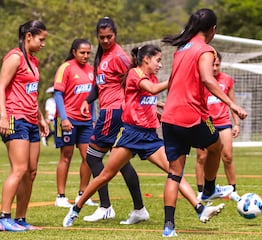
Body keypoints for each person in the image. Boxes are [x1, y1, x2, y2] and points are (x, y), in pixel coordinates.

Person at [63, 44, 225, 228]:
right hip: (131, 135)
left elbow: (147, 101)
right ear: (146, 59)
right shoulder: (135, 73)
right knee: (105, 175)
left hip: (150, 138)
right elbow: (152, 89)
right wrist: (176, 79)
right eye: (158, 60)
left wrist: (161, 111)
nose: (160, 65)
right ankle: (75, 209)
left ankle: (200, 209)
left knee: (174, 173)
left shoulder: (152, 77)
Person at [160, 8, 247, 237]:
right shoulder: (205, 50)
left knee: (174, 174)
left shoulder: (182, 48)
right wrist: (233, 105)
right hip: (193, 117)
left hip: (169, 118)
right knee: (217, 145)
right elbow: (208, 79)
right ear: (213, 30)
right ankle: (209, 190)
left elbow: (172, 81)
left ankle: (169, 227)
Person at [76, 17, 148, 224]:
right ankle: (139, 208)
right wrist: (87, 101)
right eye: (102, 37)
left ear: (115, 35)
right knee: (121, 161)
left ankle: (105, 206)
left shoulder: (118, 55)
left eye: (109, 37)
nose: (106, 40)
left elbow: (136, 77)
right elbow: (100, 86)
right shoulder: (103, 55)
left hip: (113, 112)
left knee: (92, 157)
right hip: (109, 111)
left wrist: (142, 103)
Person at [0, 20, 48, 232]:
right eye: (40, 39)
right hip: (16, 118)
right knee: (19, 169)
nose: (43, 43)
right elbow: (0, 88)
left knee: (31, 172)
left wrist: (41, 118)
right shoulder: (14, 57)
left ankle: (20, 219)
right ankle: (3, 218)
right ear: (28, 36)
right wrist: (3, 116)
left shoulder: (33, 62)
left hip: (31, 120)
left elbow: (31, 93)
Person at [53, 39, 98, 208]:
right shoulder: (66, 68)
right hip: (67, 119)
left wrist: (92, 117)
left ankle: (82, 194)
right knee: (66, 156)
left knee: (89, 157)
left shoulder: (92, 71)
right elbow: (58, 95)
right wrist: (63, 118)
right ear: (74, 52)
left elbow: (91, 98)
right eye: (82, 52)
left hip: (86, 121)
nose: (86, 56)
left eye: (88, 53)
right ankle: (61, 196)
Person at [195, 51, 241, 202]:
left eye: (217, 65)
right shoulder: (201, 79)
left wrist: (237, 123)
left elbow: (232, 101)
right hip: (207, 122)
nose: (214, 68)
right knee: (202, 157)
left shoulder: (227, 80)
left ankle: (232, 190)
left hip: (223, 122)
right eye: (212, 65)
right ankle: (202, 191)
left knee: (227, 157)